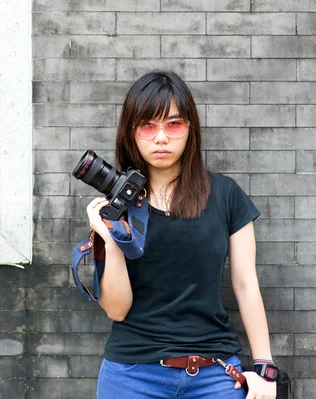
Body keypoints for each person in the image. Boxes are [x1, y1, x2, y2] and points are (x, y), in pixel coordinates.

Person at [86, 71, 277, 399]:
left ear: (191, 129)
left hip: (216, 376)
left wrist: (264, 367)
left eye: (173, 124)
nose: (161, 138)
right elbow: (117, 310)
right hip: (133, 377)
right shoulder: (118, 206)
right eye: (148, 125)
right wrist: (107, 236)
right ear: (131, 133)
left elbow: (245, 284)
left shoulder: (226, 194)